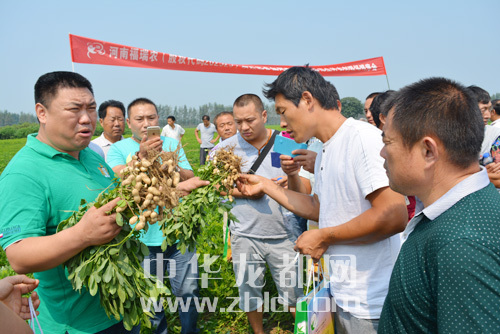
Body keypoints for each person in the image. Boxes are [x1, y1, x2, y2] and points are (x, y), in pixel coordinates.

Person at [237, 66, 408, 334]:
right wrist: (265, 185)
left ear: (307, 100)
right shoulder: (327, 149)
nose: (281, 123)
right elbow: (319, 208)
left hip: (371, 303)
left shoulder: (362, 139)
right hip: (342, 293)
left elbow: (393, 213)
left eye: (283, 112)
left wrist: (324, 237)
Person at [0, 71, 133, 333]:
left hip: (119, 310)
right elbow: (18, 255)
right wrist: (82, 235)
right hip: (74, 325)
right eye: (74, 109)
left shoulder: (90, 156)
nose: (87, 118)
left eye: (91, 108)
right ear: (42, 112)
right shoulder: (24, 173)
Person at [378, 77, 500, 333]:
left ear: (428, 151)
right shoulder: (459, 214)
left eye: (388, 142)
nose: (382, 153)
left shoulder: (460, 245)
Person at [107, 98, 200, 334]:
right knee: (152, 299)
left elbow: (189, 176)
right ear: (129, 122)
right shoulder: (118, 149)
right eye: (139, 119)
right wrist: (141, 158)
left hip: (177, 233)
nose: (146, 124)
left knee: (187, 292)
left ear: (158, 119)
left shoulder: (172, 142)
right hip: (143, 240)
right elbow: (120, 180)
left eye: (151, 118)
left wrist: (171, 164)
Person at [213, 94, 302, 334]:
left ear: (264, 116)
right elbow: (216, 187)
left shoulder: (286, 142)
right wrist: (243, 193)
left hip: (284, 234)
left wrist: (290, 178)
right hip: (244, 234)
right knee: (250, 293)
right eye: (238, 121)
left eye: (250, 120)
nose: (243, 127)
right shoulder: (223, 150)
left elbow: (306, 190)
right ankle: (258, 331)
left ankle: (301, 330)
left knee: (294, 294)